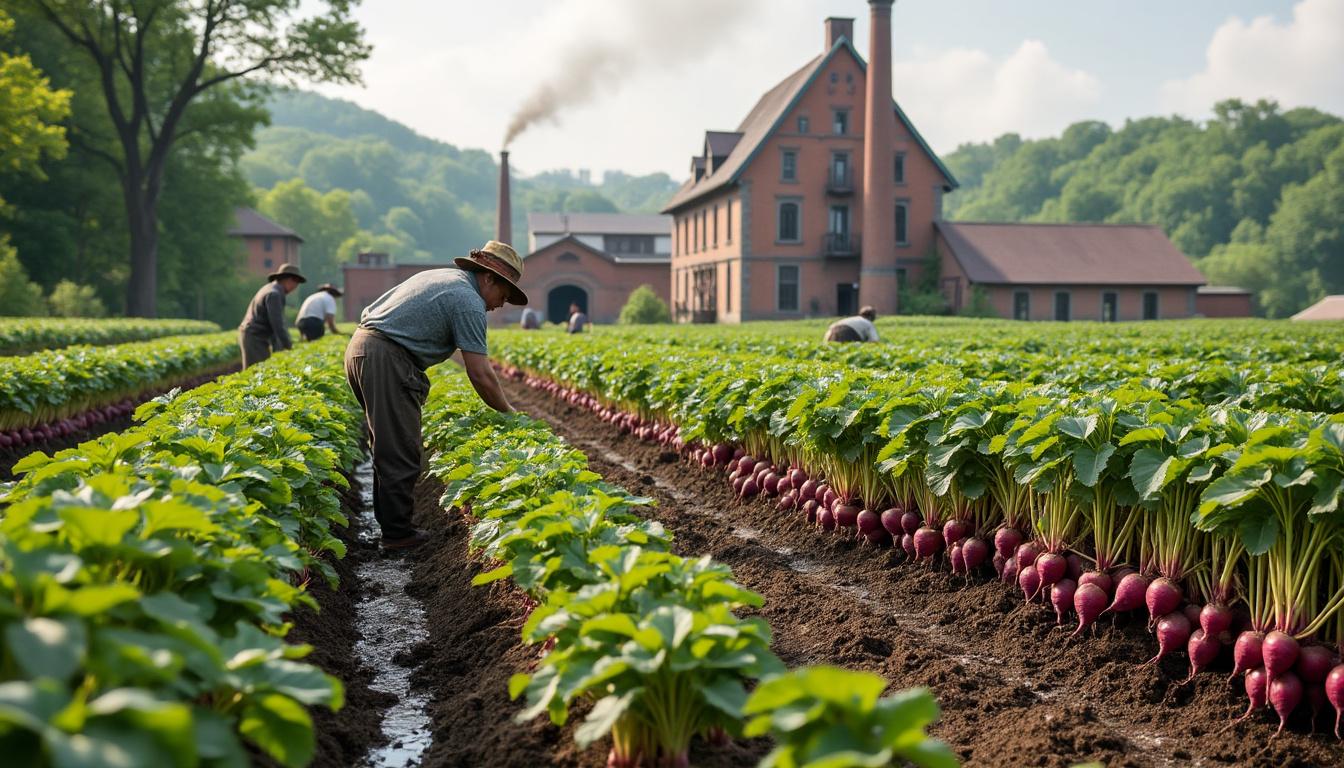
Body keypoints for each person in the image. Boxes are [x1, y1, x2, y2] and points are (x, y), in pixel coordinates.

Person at [345, 240, 526, 550]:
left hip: (363, 349)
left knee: (388, 446)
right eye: (503, 295)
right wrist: (509, 413)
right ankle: (397, 535)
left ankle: (391, 528)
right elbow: (480, 373)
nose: (500, 304)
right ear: (488, 278)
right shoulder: (468, 300)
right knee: (401, 449)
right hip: (386, 357)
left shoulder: (443, 278)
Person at [239, 263, 305, 368]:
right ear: (288, 280)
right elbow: (277, 324)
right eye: (295, 283)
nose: (295, 287)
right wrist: (289, 346)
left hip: (255, 335)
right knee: (256, 372)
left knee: (259, 369)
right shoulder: (274, 294)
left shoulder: (271, 289)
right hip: (255, 336)